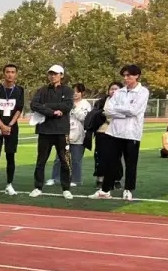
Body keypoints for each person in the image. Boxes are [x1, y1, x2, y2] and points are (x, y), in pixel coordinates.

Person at [94, 64, 149, 200]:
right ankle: (105, 190)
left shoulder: (143, 92)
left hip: (132, 133)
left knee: (130, 163)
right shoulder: (119, 92)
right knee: (111, 162)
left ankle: (128, 189)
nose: (126, 78)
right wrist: (125, 112)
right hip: (114, 132)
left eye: (128, 75)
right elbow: (108, 110)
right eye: (124, 75)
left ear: (136, 76)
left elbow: (135, 111)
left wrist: (119, 110)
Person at [29, 64, 75, 199]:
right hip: (44, 131)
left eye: (55, 74)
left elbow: (67, 106)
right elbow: (34, 105)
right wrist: (52, 112)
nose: (52, 76)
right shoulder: (42, 90)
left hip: (61, 131)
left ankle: (66, 188)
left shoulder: (67, 90)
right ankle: (38, 187)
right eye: (51, 73)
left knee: (65, 161)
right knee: (41, 161)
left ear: (61, 75)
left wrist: (46, 106)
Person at [0, 63, 25, 196]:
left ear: (16, 74)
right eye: (8, 72)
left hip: (12, 127)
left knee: (10, 156)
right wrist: (2, 125)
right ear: (4, 73)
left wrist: (10, 125)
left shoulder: (19, 90)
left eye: (13, 72)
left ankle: (9, 184)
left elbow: (19, 108)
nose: (10, 74)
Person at [48, 83, 91, 187]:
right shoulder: (65, 102)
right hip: (64, 133)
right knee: (59, 158)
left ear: (82, 93)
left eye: (78, 91)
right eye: (73, 91)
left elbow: (84, 118)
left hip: (78, 137)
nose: (75, 93)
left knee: (76, 160)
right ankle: (55, 178)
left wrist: (74, 107)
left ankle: (76, 180)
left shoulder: (86, 104)